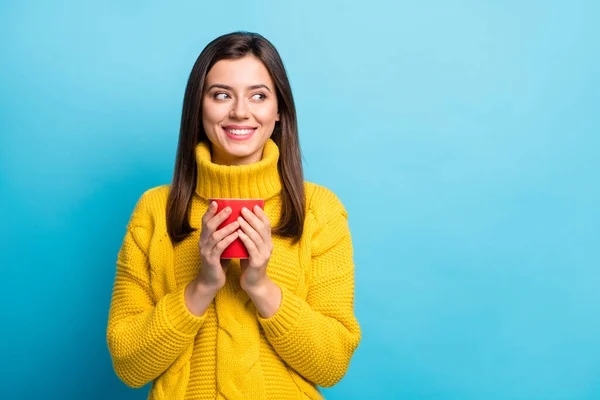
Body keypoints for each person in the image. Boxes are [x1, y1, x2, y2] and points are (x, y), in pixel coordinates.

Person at [106, 31, 361, 400]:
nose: (240, 111)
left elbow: (332, 364)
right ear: (199, 108)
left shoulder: (320, 210)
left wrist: (259, 285)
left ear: (279, 113)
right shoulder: (155, 210)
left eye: (258, 95)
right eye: (221, 95)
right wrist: (203, 285)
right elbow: (129, 366)